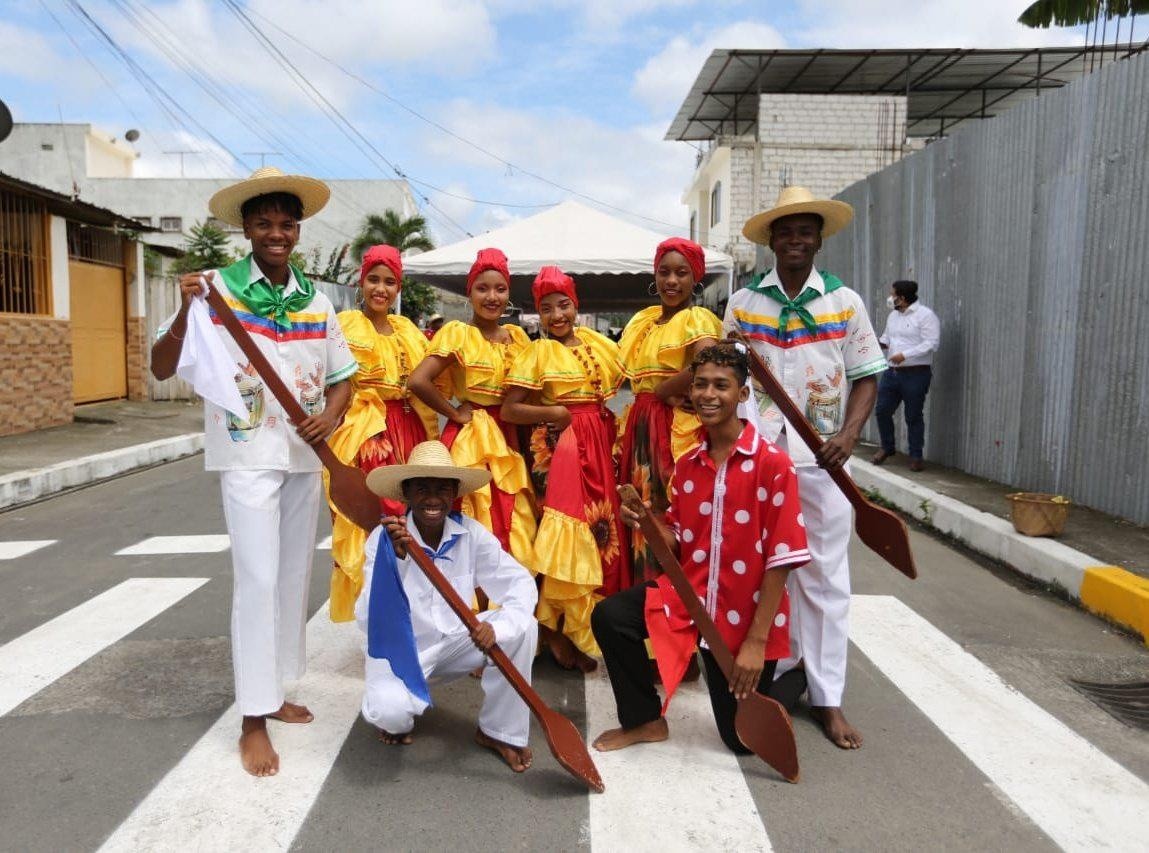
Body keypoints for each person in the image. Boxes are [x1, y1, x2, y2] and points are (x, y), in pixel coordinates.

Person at [149, 166, 358, 777]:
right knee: (258, 579)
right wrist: (187, 311)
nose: (276, 233)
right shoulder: (213, 290)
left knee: (293, 576)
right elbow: (164, 366)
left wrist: (333, 420)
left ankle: (280, 687)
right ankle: (251, 717)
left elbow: (344, 378)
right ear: (246, 228)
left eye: (286, 224)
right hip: (245, 455)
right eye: (264, 223)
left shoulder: (315, 301)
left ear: (298, 231)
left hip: (301, 457)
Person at [724, 185, 887, 750]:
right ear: (772, 240)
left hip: (823, 464)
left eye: (805, 230)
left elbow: (868, 373)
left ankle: (828, 699)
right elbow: (728, 378)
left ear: (819, 239)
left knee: (824, 580)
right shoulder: (744, 304)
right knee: (760, 575)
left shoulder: (846, 302)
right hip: (760, 463)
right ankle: (778, 673)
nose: (796, 239)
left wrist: (848, 435)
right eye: (786, 230)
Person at [591, 344, 809, 753]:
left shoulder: (773, 464)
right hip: (689, 599)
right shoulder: (689, 465)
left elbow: (783, 557)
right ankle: (644, 720)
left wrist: (756, 643)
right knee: (611, 616)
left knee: (740, 741)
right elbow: (676, 541)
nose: (708, 395)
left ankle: (798, 678)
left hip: (742, 619)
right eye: (701, 385)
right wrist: (646, 520)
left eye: (721, 386)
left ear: (742, 395)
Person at [357, 440, 538, 772]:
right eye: (422, 489)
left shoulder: (471, 533)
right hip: (401, 655)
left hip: (456, 644)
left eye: (442, 489)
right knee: (392, 715)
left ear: (455, 493)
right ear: (406, 495)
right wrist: (395, 564)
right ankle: (400, 711)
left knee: (525, 627)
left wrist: (497, 628)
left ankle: (500, 732)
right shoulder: (384, 542)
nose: (432, 499)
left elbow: (520, 584)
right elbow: (368, 620)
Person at [501, 267, 627, 671]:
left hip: (598, 446)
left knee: (594, 532)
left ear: (577, 306)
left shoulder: (595, 343)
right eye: (546, 308)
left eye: (564, 305)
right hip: (559, 452)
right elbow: (510, 408)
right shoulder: (537, 353)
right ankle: (554, 632)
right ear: (536, 313)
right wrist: (554, 411)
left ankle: (581, 627)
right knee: (559, 533)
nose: (557, 315)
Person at [325, 245, 439, 623]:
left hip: (409, 429)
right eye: (374, 279)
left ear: (398, 288)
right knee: (374, 518)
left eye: (389, 282)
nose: (381, 289)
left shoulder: (408, 330)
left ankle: (413, 615)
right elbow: (328, 377)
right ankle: (376, 615)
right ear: (361, 282)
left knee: (413, 517)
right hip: (366, 433)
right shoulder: (345, 324)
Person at [407, 249, 537, 579]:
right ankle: (468, 606)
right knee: (474, 515)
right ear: (470, 292)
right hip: (472, 439)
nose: (492, 297)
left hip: (510, 436)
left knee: (516, 517)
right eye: (482, 288)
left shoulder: (518, 338)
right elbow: (418, 381)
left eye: (500, 289)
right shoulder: (458, 333)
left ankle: (505, 607)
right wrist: (455, 412)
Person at [618, 238, 721, 585]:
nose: (671, 281)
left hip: (675, 428)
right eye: (664, 272)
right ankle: (644, 602)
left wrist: (665, 391)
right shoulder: (645, 322)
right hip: (643, 426)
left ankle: (678, 605)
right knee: (642, 511)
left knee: (673, 511)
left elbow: (707, 361)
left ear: (696, 280)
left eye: (682, 273)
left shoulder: (697, 317)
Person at [871, 280, 940, 473]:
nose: (890, 298)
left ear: (902, 298)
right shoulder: (893, 316)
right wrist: (875, 343)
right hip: (892, 373)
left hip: (916, 374)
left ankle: (916, 456)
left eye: (893, 295)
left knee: (913, 416)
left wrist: (905, 355)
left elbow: (931, 343)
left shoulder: (925, 316)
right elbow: (887, 339)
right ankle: (887, 447)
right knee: (882, 410)